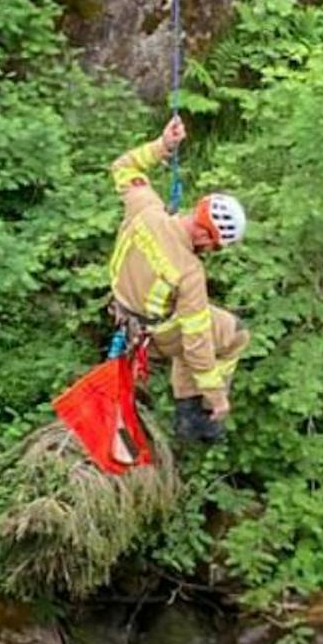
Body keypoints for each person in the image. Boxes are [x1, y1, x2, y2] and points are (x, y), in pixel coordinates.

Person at [109, 114, 248, 442]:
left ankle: (191, 405)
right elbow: (197, 342)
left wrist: (162, 146)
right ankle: (194, 411)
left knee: (198, 326)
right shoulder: (190, 273)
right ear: (205, 236)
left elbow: (123, 167)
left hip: (119, 309)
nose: (212, 252)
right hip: (155, 333)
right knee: (233, 335)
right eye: (215, 246)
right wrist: (217, 396)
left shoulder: (147, 209)